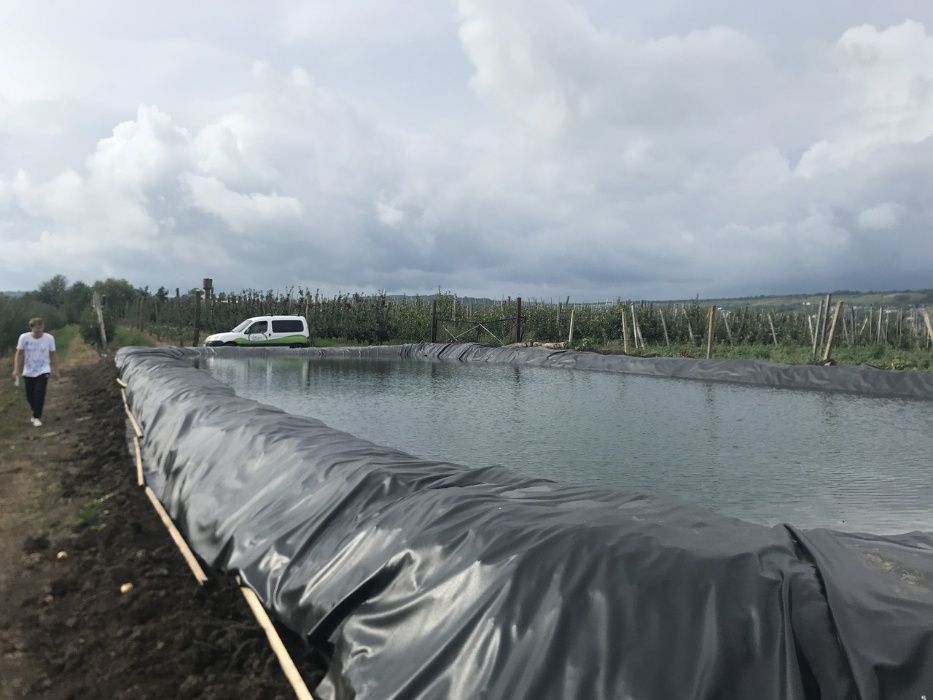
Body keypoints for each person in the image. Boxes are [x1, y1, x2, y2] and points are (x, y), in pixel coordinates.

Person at [11, 317, 58, 427]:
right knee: (30, 395)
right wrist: (16, 369)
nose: (39, 331)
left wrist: (55, 370)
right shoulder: (24, 338)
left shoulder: (49, 339)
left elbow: (53, 355)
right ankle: (35, 411)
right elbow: (19, 354)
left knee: (39, 393)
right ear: (31, 328)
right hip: (29, 371)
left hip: (43, 370)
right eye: (37, 328)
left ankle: (37, 417)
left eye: (41, 328)